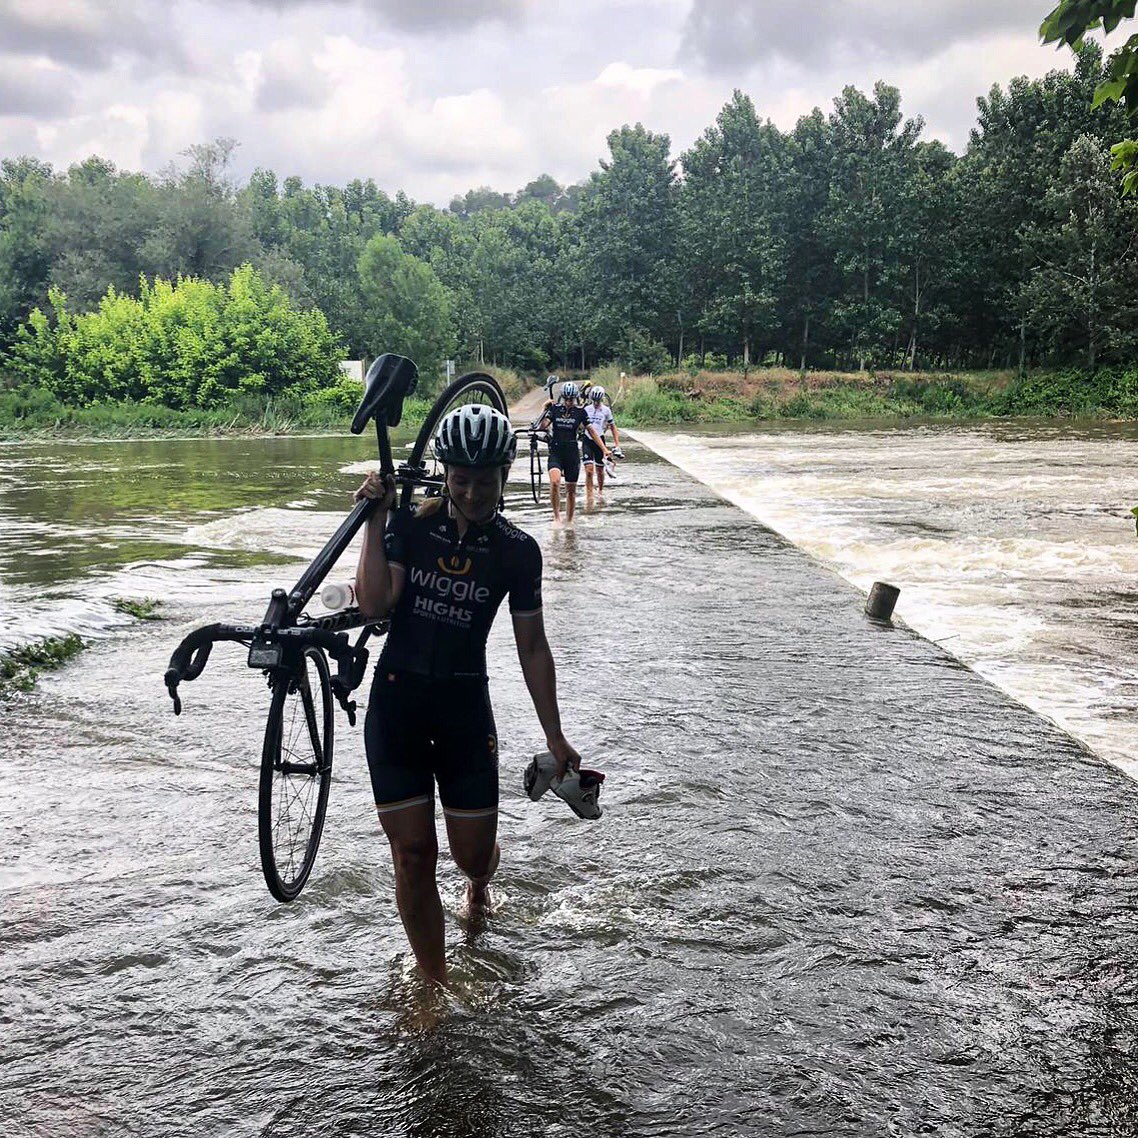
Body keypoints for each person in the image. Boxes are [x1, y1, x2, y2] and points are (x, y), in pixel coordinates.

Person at [353, 404, 584, 986]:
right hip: (398, 704)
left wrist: (554, 734)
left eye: (486, 481)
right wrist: (373, 521)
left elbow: (532, 646)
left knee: (471, 855)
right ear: (444, 473)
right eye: (462, 480)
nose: (474, 492)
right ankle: (432, 984)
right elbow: (374, 605)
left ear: (505, 476)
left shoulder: (516, 550)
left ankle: (479, 885)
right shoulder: (410, 527)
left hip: (463, 711)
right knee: (412, 853)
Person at [536, 381, 608, 524]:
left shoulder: (581, 412)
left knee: (571, 491)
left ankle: (569, 522)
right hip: (556, 451)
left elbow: (592, 432)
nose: (569, 402)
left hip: (572, 454)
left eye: (571, 399)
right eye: (566, 399)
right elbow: (541, 426)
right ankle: (556, 517)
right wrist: (543, 409)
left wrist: (604, 449)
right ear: (562, 398)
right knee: (555, 482)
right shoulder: (555, 410)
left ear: (575, 398)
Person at [582, 385, 621, 499]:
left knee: (599, 470)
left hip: (600, 441)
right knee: (589, 470)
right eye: (594, 401)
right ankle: (589, 494)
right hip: (587, 440)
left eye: (598, 401)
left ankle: (600, 490)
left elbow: (613, 428)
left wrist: (617, 444)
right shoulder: (586, 409)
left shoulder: (606, 410)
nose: (596, 403)